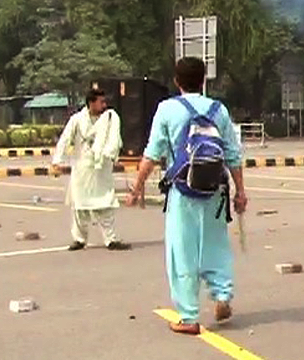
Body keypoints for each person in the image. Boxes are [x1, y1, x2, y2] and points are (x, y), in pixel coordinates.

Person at [126, 57, 247, 335]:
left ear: (176, 81)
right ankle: (222, 295)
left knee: (182, 252)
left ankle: (189, 317)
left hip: (183, 192)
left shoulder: (167, 109)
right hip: (215, 191)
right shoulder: (219, 109)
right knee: (216, 246)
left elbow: (152, 153)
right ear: (203, 80)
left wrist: (137, 186)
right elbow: (232, 154)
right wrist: (240, 192)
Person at [52, 89, 130, 251]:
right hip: (82, 169)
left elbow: (114, 140)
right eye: (101, 102)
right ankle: (79, 239)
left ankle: (111, 239)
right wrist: (57, 161)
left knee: (105, 205)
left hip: (102, 169)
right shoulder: (77, 120)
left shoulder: (109, 119)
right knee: (80, 207)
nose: (104, 105)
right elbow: (65, 140)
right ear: (91, 102)